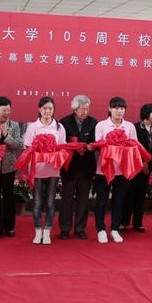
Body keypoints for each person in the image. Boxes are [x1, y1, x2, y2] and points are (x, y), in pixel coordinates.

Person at [94, 96, 137, 244]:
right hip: (104, 169)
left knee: (118, 201)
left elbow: (134, 146)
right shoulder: (101, 125)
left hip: (122, 169)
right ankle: (100, 229)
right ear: (109, 109)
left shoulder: (129, 127)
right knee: (102, 201)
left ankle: (114, 229)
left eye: (122, 108)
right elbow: (98, 146)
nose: (119, 111)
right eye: (116, 108)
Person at [23, 97, 66, 245]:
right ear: (39, 109)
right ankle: (37, 232)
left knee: (50, 202)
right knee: (37, 202)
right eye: (44, 108)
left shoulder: (59, 127)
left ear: (53, 110)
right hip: (37, 170)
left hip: (53, 169)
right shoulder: (33, 127)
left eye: (50, 108)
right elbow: (28, 148)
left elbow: (62, 148)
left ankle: (47, 232)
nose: (47, 111)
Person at [58, 95, 97, 240]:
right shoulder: (64, 122)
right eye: (82, 109)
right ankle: (65, 228)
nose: (85, 112)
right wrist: (74, 150)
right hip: (70, 166)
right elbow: (61, 143)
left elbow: (95, 140)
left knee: (83, 200)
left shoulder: (93, 122)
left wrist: (90, 147)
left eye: (87, 109)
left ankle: (80, 228)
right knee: (66, 199)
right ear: (75, 109)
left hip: (86, 166)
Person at [0, 96, 24, 239]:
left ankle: (9, 226)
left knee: (9, 198)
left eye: (8, 110)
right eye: (4, 110)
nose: (7, 113)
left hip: (9, 168)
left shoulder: (14, 125)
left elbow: (18, 145)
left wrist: (6, 136)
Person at [120, 103, 152, 233]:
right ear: (146, 113)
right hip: (134, 166)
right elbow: (133, 147)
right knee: (129, 194)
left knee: (141, 194)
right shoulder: (135, 128)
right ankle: (123, 222)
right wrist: (142, 163)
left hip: (147, 168)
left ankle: (138, 222)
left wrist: (149, 164)